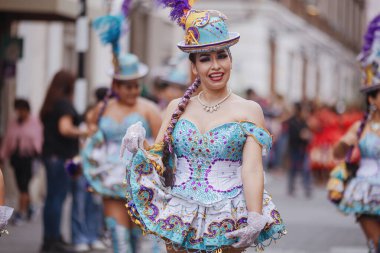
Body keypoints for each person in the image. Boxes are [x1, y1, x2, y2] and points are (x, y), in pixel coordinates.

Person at [122, 9, 286, 252]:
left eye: (222, 56)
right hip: (180, 214)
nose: (216, 66)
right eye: (205, 59)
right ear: (194, 66)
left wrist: (254, 215)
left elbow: (252, 168)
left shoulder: (250, 110)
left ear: (231, 59)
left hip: (227, 215)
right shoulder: (176, 107)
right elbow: (158, 159)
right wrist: (140, 145)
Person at [82, 53, 162, 253]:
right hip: (111, 180)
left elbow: (162, 146)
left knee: (140, 240)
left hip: (142, 181)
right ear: (115, 87)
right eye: (128, 86)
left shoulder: (149, 109)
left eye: (136, 85)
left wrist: (144, 145)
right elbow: (91, 135)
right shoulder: (102, 109)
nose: (134, 90)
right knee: (119, 239)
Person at [332, 15, 380, 253]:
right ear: (371, 98)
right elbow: (338, 153)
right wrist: (344, 142)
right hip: (366, 190)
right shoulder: (361, 126)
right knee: (377, 243)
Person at [39, 70, 88, 253]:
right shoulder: (64, 104)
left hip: (51, 156)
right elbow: (65, 129)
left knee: (52, 198)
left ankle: (50, 238)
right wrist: (84, 132)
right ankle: (53, 240)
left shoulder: (51, 103)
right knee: (57, 198)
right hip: (60, 157)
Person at [0, 98, 43, 224]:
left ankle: (21, 212)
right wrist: (3, 155)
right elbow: (8, 140)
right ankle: (30, 208)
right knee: (21, 186)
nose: (20, 113)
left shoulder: (34, 123)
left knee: (24, 185)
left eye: (22, 110)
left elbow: (38, 140)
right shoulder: (14, 123)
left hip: (29, 158)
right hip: (16, 158)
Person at [287, 102, 312, 197]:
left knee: (306, 168)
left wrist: (306, 136)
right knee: (293, 168)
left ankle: (307, 187)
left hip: (303, 148)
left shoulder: (304, 122)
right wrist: (301, 135)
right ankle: (291, 186)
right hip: (294, 148)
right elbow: (292, 136)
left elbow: (307, 133)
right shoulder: (292, 121)